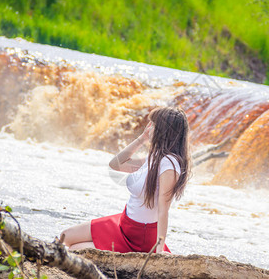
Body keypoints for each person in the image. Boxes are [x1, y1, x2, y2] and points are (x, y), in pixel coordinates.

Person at [60, 107, 190, 254]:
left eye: (153, 124)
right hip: (123, 223)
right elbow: (116, 163)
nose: (149, 128)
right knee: (65, 237)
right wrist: (141, 139)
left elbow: (163, 210)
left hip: (140, 235)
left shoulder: (169, 164)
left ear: (163, 131)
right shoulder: (153, 158)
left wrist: (159, 251)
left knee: (74, 250)